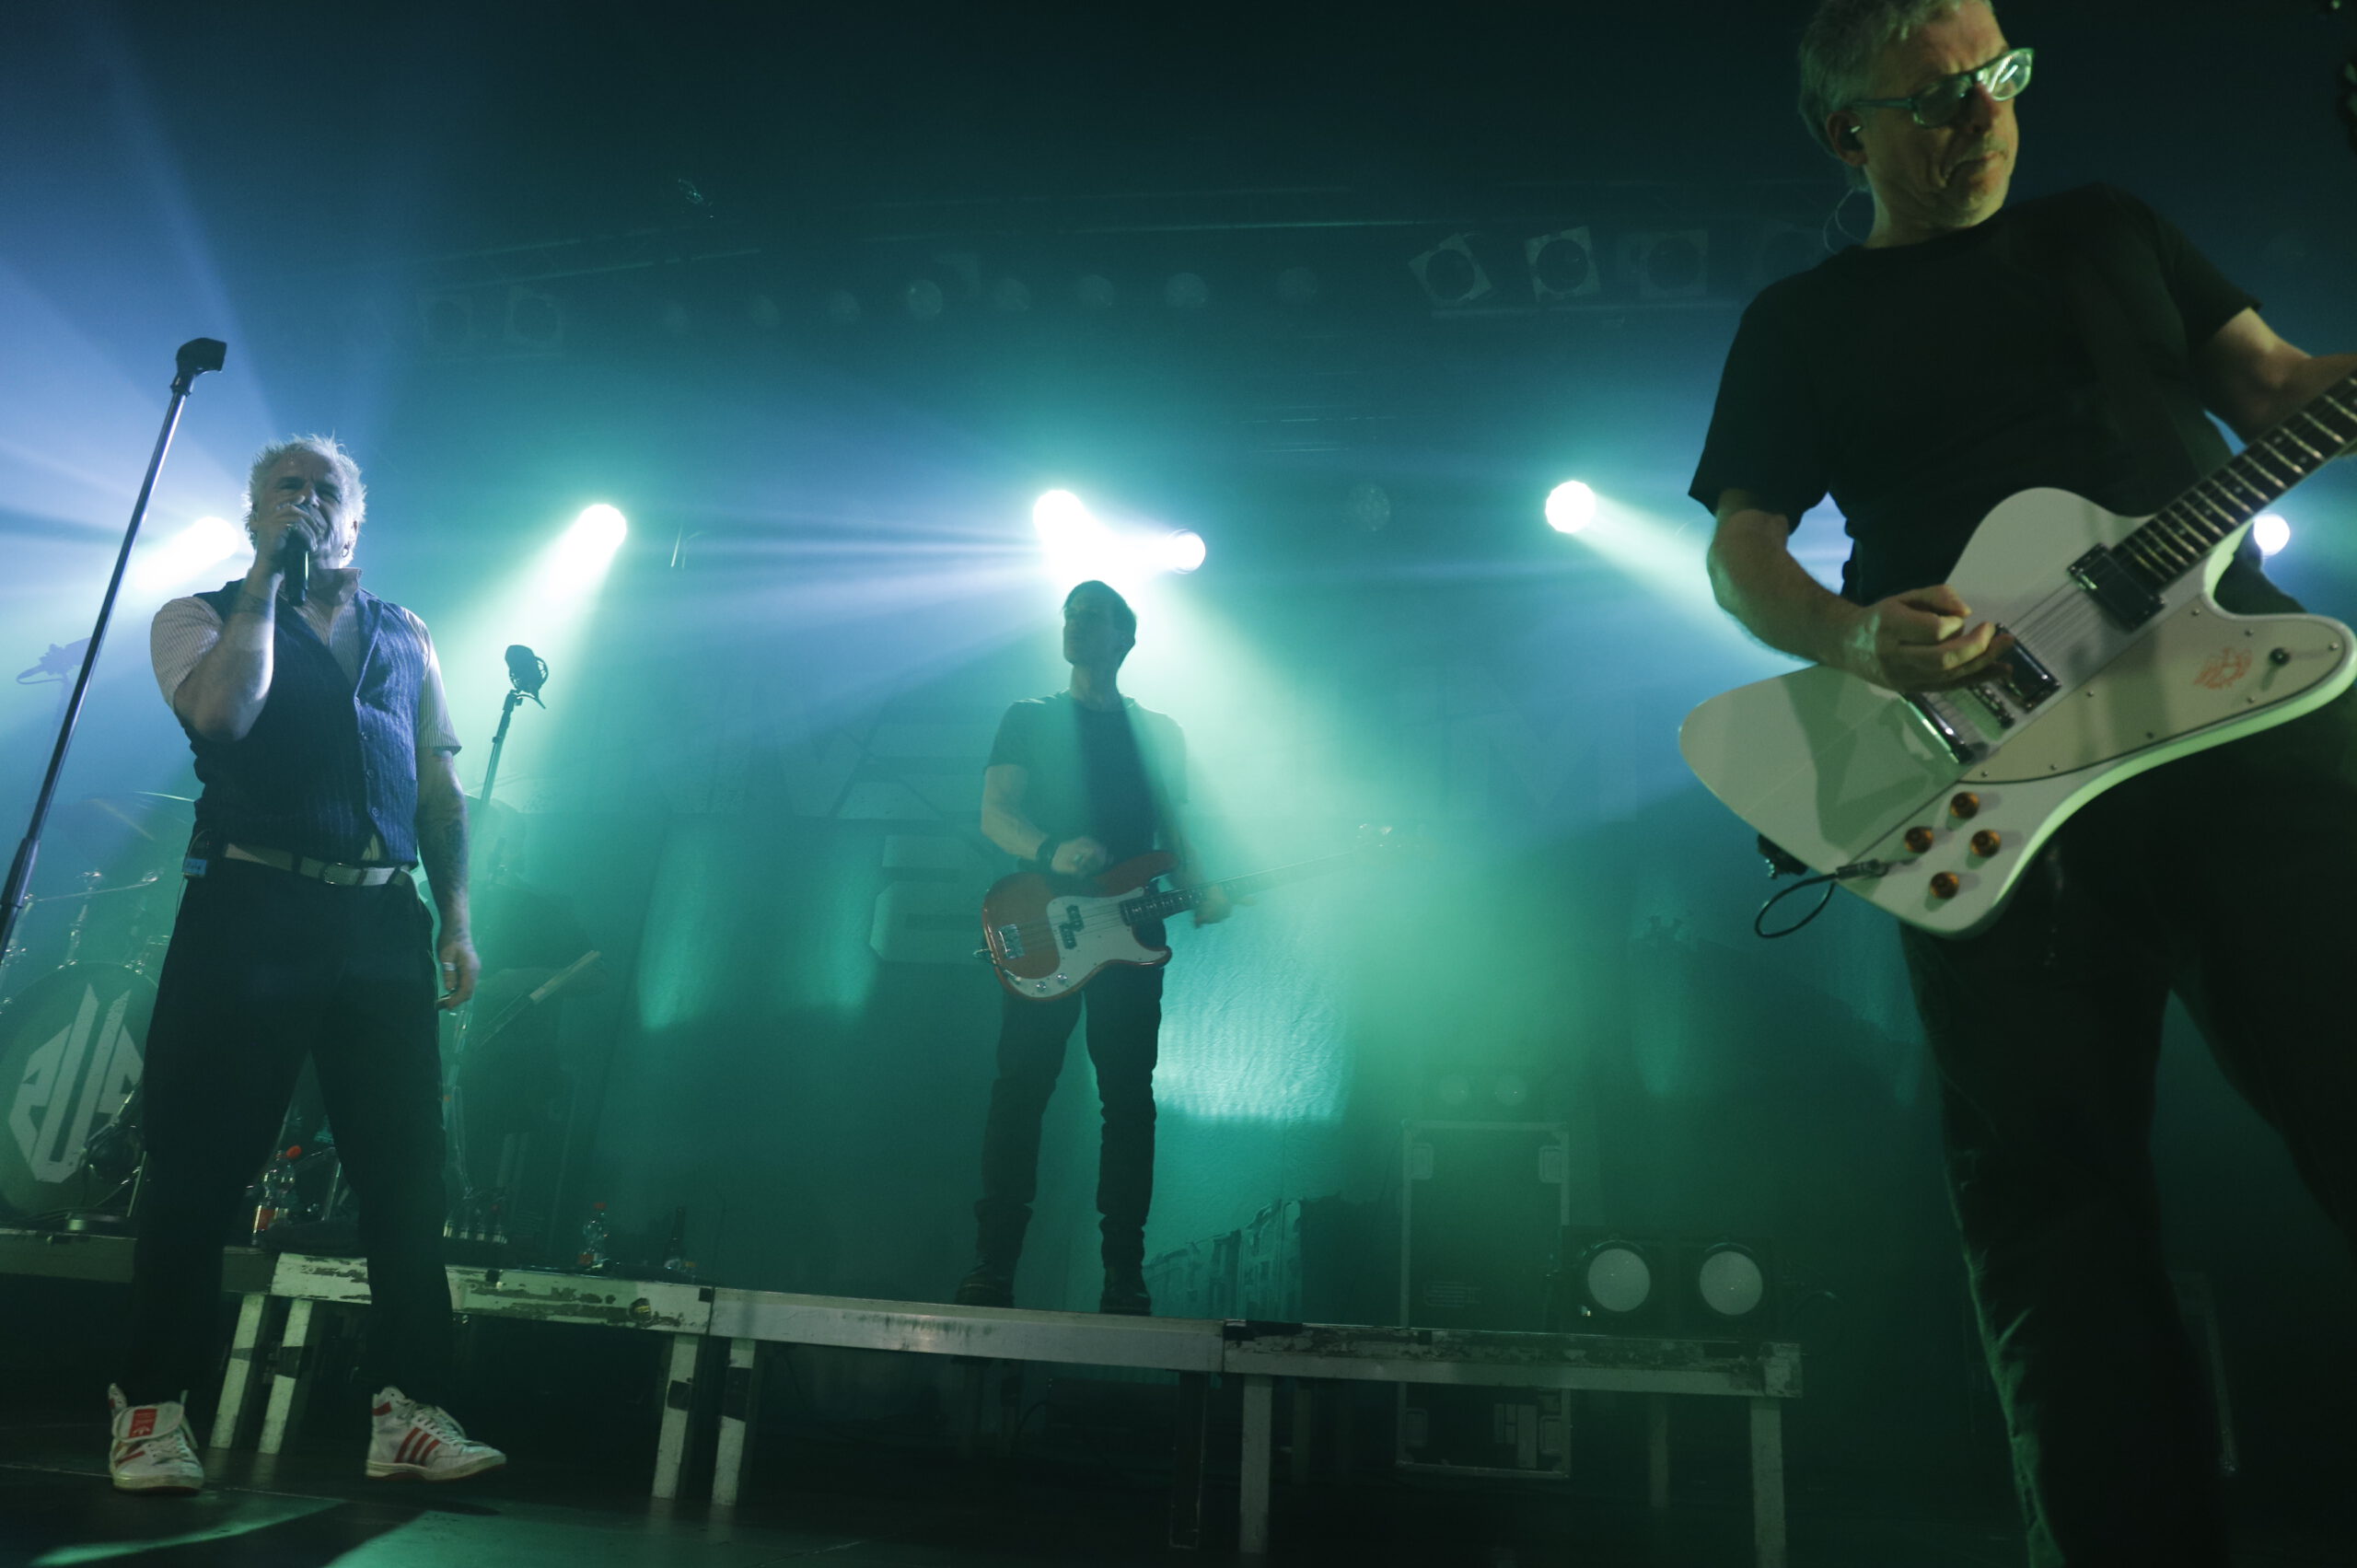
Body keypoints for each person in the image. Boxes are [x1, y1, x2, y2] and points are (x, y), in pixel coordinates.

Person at [1693, 4, 2357, 1562]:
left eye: (2000, 77)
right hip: (1988, 778)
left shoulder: (2110, 227)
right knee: (2056, 1217)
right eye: (1934, 100)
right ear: (1846, 132)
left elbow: (2274, 386)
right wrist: (1855, 635)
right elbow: (1741, 551)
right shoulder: (1801, 321)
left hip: (2239, 715)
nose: (1982, 117)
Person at [109, 436, 504, 1493]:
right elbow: (222, 713)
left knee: (404, 1171)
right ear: (253, 513)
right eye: (286, 487)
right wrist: (264, 586)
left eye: (327, 489)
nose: (307, 499)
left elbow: (437, 790)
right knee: (200, 1162)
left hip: (379, 916)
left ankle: (408, 1407)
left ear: (356, 517)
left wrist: (456, 921)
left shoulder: (406, 632)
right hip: (250, 904)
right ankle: (151, 1406)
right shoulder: (197, 615)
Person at [954, 580, 1233, 1316]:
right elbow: (994, 813)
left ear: (1125, 637)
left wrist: (1202, 887)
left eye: (1091, 616)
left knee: (1128, 1100)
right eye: (1069, 615)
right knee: (1021, 1090)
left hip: (1130, 932)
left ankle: (1123, 1272)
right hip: (1047, 925)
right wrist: (1052, 849)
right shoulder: (1029, 716)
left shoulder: (1159, 732)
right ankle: (993, 1263)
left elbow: (1174, 832)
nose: (1074, 624)